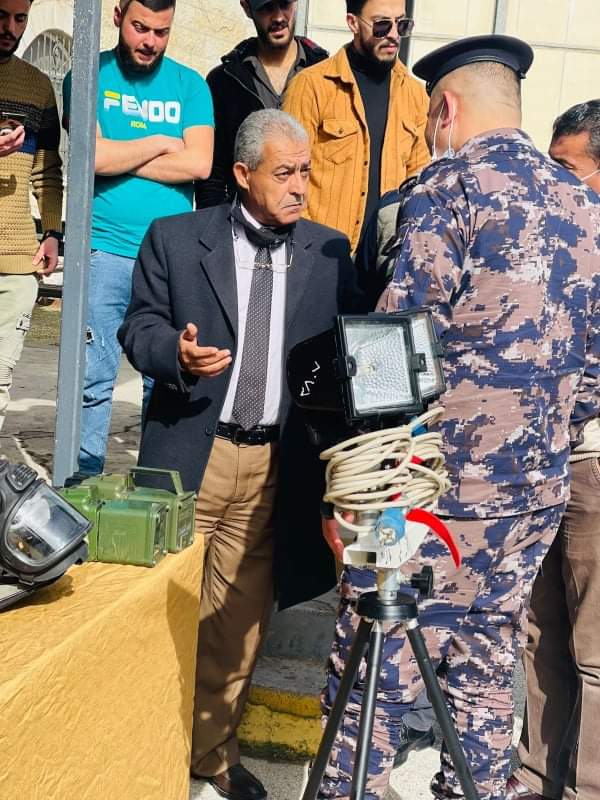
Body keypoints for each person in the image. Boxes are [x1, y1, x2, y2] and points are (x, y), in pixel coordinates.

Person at [318, 35, 600, 800]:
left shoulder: (448, 187)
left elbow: (395, 347)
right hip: (533, 493)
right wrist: (546, 438)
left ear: (445, 109)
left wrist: (368, 481)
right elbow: (594, 366)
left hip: (436, 492)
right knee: (485, 666)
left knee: (374, 665)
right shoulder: (582, 201)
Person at [118, 109, 360, 800]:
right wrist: (175, 354)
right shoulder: (175, 237)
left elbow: (347, 353)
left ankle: (210, 759)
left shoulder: (328, 252)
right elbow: (138, 326)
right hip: (193, 455)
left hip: (271, 466)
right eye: (284, 173)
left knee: (240, 626)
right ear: (243, 173)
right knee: (162, 611)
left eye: (306, 171)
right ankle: (143, 751)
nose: (300, 186)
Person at [62, 0, 214, 478]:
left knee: (162, 381)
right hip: (103, 249)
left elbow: (200, 164)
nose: (149, 41)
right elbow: (90, 158)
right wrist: (162, 143)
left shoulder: (191, 85)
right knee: (91, 379)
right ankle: (81, 483)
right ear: (117, 17)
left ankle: (153, 487)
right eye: (140, 27)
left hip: (171, 257)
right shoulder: (87, 75)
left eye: (161, 32)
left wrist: (118, 155)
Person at [507, 100, 600, 800]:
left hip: (592, 465)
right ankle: (533, 777)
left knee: (594, 649)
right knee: (540, 633)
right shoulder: (556, 241)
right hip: (545, 464)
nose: (554, 181)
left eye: (568, 167)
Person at [282, 0, 429, 254]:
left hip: (386, 257)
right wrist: (303, 249)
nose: (394, 35)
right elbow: (286, 174)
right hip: (320, 254)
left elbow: (419, 181)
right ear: (353, 23)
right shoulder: (311, 86)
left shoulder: (415, 95)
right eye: (382, 25)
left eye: (402, 25)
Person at [195, 0, 327, 209]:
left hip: (309, 219)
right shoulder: (223, 80)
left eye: (284, 4)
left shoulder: (327, 74)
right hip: (244, 220)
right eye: (267, 7)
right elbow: (212, 178)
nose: (279, 17)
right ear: (247, 8)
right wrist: (217, 226)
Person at [0, 0, 63, 432]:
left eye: (20, 18)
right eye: (1, 16)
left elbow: (48, 170)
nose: (10, 27)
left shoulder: (38, 86)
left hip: (17, 261)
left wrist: (53, 233)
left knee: (0, 381)